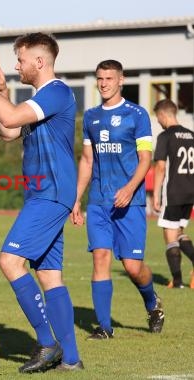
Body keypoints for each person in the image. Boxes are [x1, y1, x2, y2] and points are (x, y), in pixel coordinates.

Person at [0, 19, 83, 372]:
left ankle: (47, 343)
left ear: (40, 62)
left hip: (51, 192)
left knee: (9, 261)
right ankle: (71, 361)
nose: (17, 66)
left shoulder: (57, 91)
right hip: (44, 194)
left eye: (21, 60)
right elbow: (7, 129)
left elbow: (10, 114)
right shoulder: (41, 99)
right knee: (49, 277)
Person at [71, 59, 164, 340]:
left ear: (121, 80)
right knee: (100, 257)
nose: (103, 83)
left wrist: (129, 188)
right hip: (99, 201)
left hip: (130, 203)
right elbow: (87, 160)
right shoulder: (90, 117)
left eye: (109, 78)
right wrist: (76, 199)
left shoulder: (137, 114)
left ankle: (153, 303)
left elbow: (145, 159)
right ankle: (104, 327)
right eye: (100, 78)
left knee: (133, 267)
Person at [152, 98, 194, 289]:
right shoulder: (191, 135)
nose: (158, 122)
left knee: (169, 235)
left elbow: (160, 167)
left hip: (173, 191)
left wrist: (156, 194)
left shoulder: (165, 136)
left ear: (163, 114)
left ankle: (177, 282)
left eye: (158, 117)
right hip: (189, 192)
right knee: (179, 232)